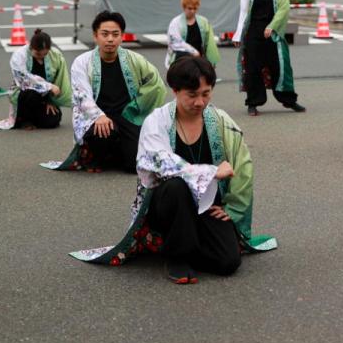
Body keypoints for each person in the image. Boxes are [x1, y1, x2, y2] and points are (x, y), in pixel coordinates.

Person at [69, 56, 277, 283]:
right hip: (168, 204)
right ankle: (177, 255)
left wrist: (232, 207)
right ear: (176, 91)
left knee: (228, 262)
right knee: (177, 186)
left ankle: (183, 242)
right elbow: (158, 161)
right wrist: (210, 172)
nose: (200, 102)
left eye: (206, 93)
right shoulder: (157, 121)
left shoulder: (221, 121)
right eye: (192, 95)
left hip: (207, 204)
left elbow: (242, 165)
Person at [45, 11, 166, 173]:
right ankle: (97, 153)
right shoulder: (82, 62)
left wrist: (136, 107)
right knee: (101, 134)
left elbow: (156, 84)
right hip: (97, 117)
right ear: (95, 36)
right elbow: (82, 95)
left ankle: (117, 152)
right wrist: (98, 115)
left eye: (115, 34)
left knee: (133, 166)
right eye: (105, 34)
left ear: (122, 36)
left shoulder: (134, 60)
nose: (110, 39)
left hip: (126, 115)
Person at [233, 0, 304, 116]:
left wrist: (272, 26)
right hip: (253, 34)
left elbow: (284, 8)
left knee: (280, 67)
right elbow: (243, 13)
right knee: (252, 69)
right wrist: (238, 34)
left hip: (273, 34)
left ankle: (289, 100)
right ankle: (253, 103)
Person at [0, 28, 73, 131]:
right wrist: (48, 86)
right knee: (31, 93)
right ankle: (24, 119)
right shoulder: (19, 55)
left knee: (53, 120)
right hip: (24, 95)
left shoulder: (56, 55)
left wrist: (52, 101)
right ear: (31, 46)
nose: (41, 57)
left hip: (45, 97)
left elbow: (60, 79)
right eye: (38, 54)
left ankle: (34, 118)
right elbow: (23, 80)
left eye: (45, 54)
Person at [165, 0, 220, 70]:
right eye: (190, 8)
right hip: (182, 58)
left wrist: (212, 61)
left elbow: (209, 43)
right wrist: (193, 51)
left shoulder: (204, 22)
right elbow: (176, 43)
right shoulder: (176, 22)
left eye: (195, 8)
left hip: (199, 58)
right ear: (184, 8)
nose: (193, 11)